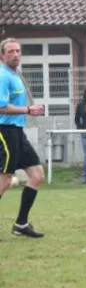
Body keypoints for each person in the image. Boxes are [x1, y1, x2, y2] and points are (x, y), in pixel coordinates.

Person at [0, 38, 46, 239]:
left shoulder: (15, 74)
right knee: (4, 180)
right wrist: (28, 109)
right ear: (2, 55)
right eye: (10, 51)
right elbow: (1, 107)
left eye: (17, 51)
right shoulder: (2, 75)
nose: (15, 54)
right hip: (5, 131)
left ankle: (21, 223)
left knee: (37, 175)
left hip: (18, 131)